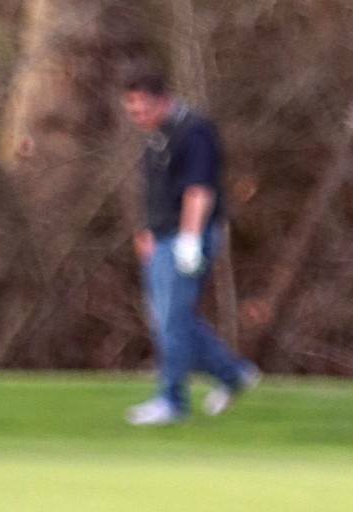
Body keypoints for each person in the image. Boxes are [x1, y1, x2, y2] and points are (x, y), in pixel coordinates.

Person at [121, 65, 260, 428]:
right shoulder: (156, 136)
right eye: (131, 111)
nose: (138, 117)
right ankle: (231, 375)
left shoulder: (194, 132)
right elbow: (155, 192)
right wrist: (146, 230)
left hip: (187, 237)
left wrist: (189, 238)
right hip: (160, 236)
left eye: (142, 109)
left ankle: (172, 400)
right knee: (171, 320)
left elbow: (198, 189)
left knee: (171, 321)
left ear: (162, 100)